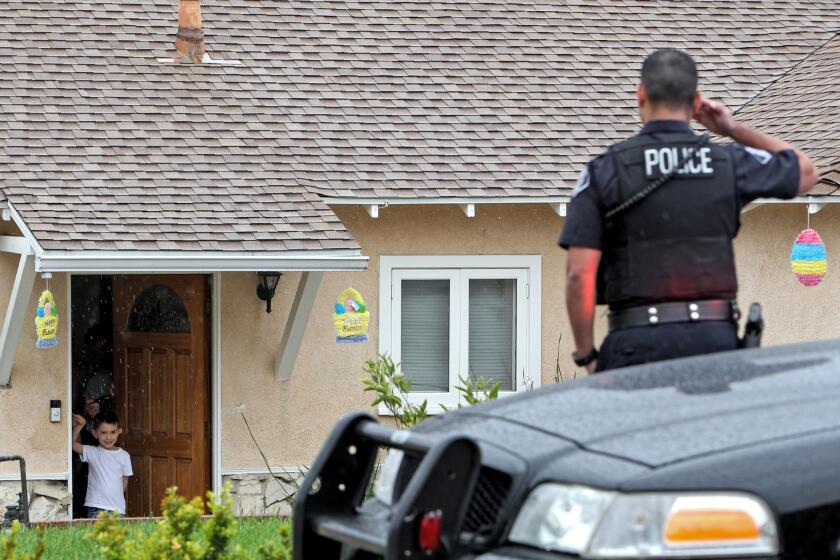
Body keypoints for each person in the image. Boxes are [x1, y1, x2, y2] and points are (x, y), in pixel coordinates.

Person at [560, 48, 818, 373]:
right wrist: (732, 129)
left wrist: (587, 355)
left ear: (640, 95)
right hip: (713, 344)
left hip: (633, 348)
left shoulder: (604, 170)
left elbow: (578, 275)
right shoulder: (727, 162)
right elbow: (807, 171)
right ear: (696, 102)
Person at [72, 411, 132, 518]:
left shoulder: (124, 456)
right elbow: (72, 445)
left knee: (116, 535)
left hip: (117, 508)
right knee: (97, 535)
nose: (108, 437)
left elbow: (124, 483)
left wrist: (113, 498)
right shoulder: (92, 452)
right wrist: (80, 425)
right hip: (96, 506)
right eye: (103, 433)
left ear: (119, 431)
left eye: (112, 432)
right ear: (95, 434)